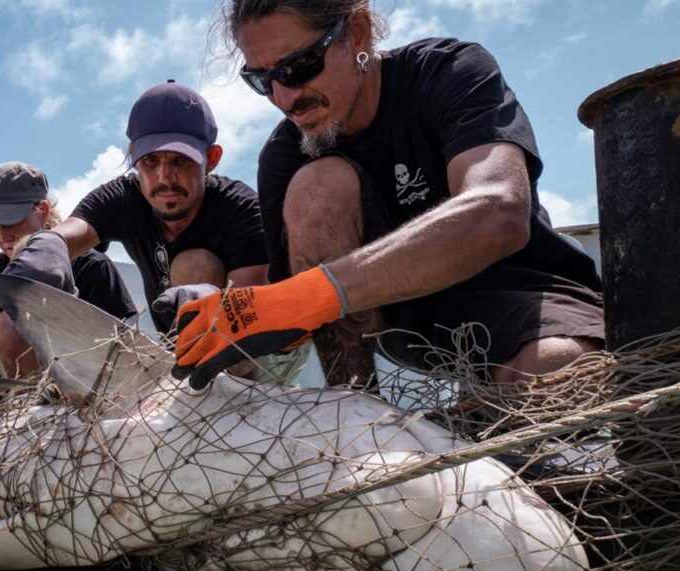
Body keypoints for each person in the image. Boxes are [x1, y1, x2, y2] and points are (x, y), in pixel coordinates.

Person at [171, 0, 604, 390]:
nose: (284, 98)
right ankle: (356, 409)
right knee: (316, 186)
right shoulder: (284, 156)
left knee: (554, 367)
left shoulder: (449, 71)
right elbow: (288, 311)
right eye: (261, 81)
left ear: (357, 33)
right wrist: (229, 314)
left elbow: (499, 210)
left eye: (298, 67)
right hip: (404, 323)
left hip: (522, 292)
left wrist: (314, 294)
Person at [26, 80, 305, 383]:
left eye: (181, 160)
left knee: (192, 266)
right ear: (133, 157)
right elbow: (69, 234)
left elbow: (247, 315)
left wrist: (211, 298)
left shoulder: (241, 209)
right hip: (183, 350)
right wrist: (44, 248)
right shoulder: (124, 198)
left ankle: (219, 404)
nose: (164, 178)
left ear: (210, 159)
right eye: (150, 161)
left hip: (260, 350)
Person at [0, 162, 136, 377]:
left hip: (95, 389)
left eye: (10, 221)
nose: (1, 237)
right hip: (25, 405)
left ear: (43, 211)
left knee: (7, 326)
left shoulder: (93, 268)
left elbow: (128, 351)